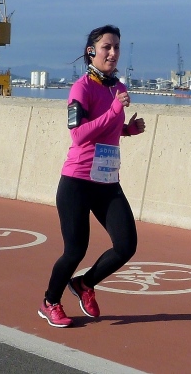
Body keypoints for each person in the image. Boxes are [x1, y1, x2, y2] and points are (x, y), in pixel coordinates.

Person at [38, 24, 146, 328]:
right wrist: (113, 112)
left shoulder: (118, 87)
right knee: (75, 250)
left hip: (107, 180)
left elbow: (107, 129)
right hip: (77, 181)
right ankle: (50, 301)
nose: (113, 53)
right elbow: (78, 135)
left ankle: (84, 283)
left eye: (117, 47)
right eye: (106, 47)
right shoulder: (81, 88)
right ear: (91, 52)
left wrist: (127, 130)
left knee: (126, 245)